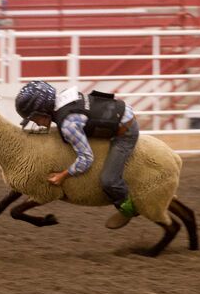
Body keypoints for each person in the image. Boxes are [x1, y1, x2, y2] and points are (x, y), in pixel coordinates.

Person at [15, 81, 139, 229]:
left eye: (34, 118)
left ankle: (128, 209)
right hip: (117, 113)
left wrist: (62, 175)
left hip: (126, 131)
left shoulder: (68, 124)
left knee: (109, 180)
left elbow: (86, 158)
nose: (36, 123)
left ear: (43, 111)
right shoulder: (62, 101)